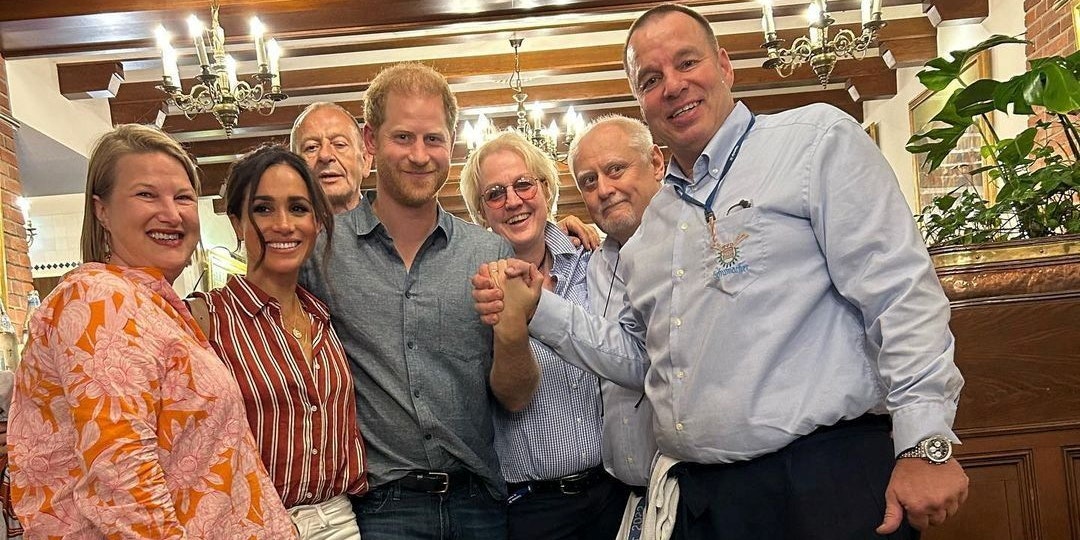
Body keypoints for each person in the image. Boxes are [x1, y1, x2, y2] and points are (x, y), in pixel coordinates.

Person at [7, 124, 296, 538]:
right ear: (102, 211)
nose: (171, 213)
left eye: (183, 197)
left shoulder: (151, 303)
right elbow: (125, 484)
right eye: (146, 195)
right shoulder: (99, 299)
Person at [299, 62, 537, 540]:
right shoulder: (323, 250)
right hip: (381, 508)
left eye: (433, 139)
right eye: (403, 137)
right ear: (371, 140)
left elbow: (516, 397)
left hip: (479, 505)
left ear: (452, 143)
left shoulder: (488, 251)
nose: (420, 155)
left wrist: (511, 329)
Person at [472, 115, 663, 538]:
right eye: (495, 194)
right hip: (534, 507)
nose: (513, 201)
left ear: (546, 189)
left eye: (524, 185)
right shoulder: (480, 287)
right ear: (481, 212)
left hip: (616, 493)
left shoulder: (595, 260)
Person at [187, 145, 368, 539]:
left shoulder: (325, 319)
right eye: (263, 209)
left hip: (339, 520)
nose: (284, 224)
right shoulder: (206, 319)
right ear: (237, 221)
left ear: (317, 222)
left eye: (298, 208)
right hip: (252, 524)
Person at [291, 102, 374, 214]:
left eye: (339, 144)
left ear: (365, 160)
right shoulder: (279, 224)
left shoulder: (393, 222)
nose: (325, 155)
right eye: (311, 147)